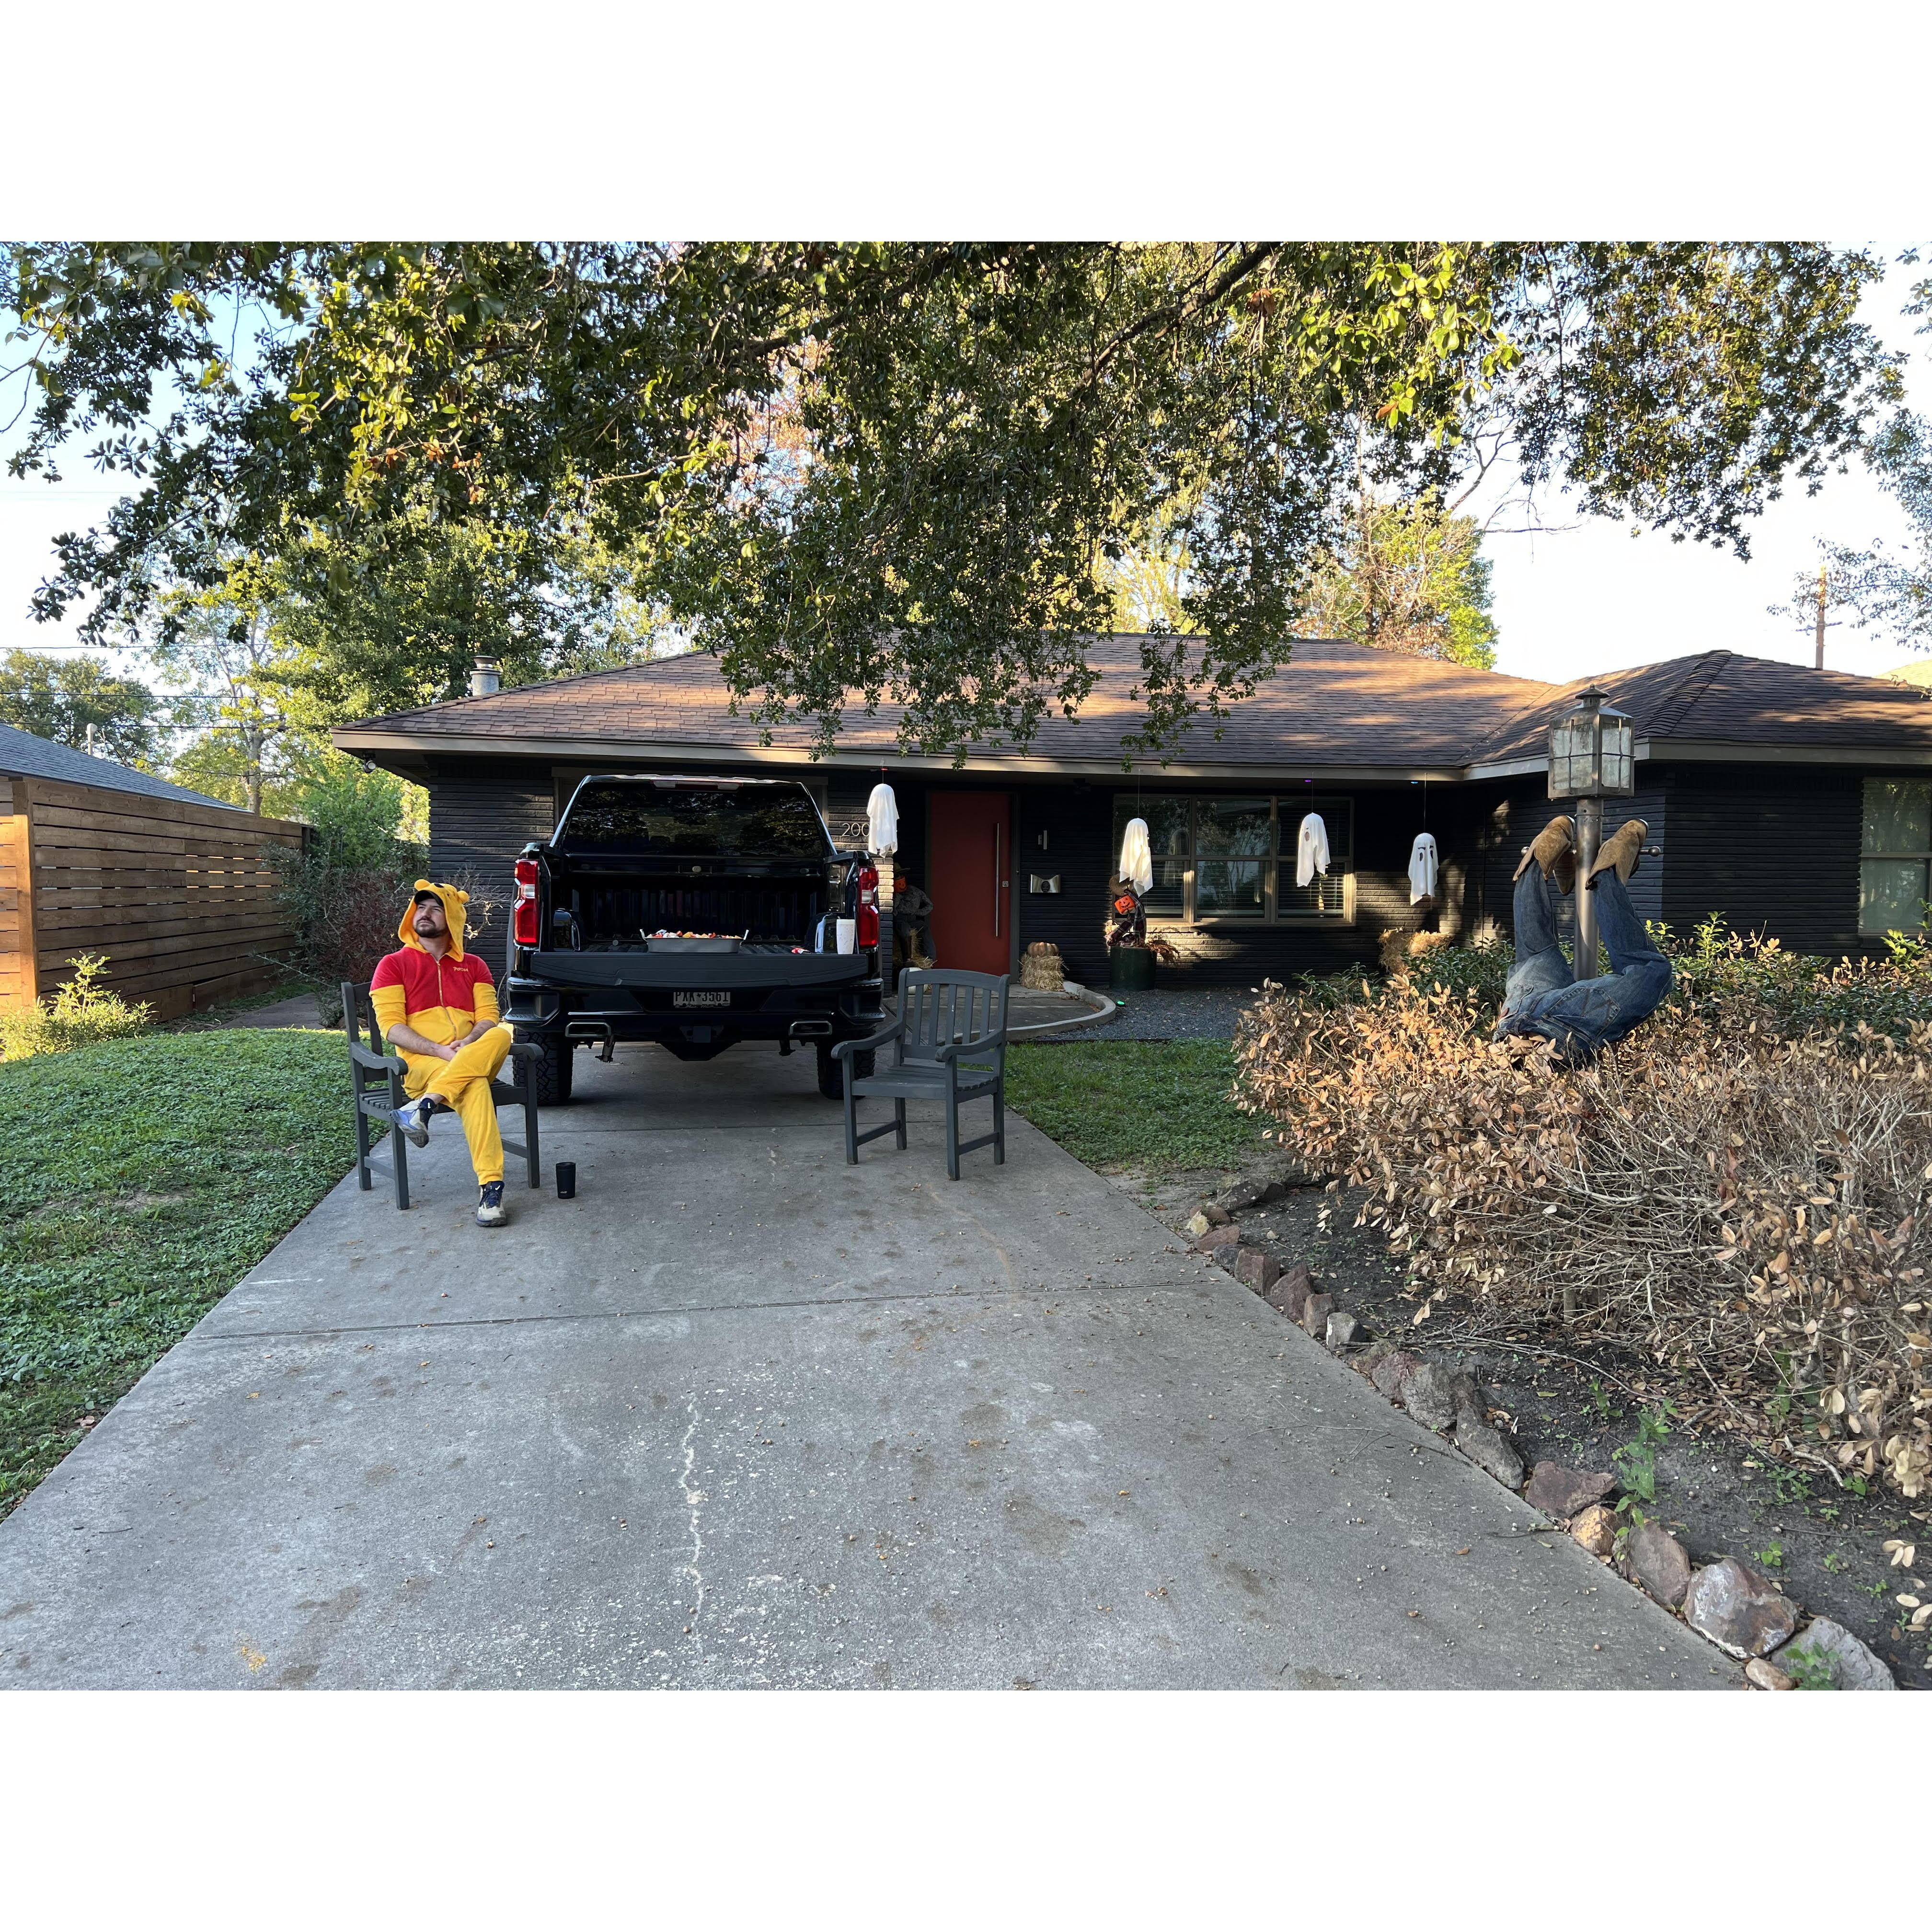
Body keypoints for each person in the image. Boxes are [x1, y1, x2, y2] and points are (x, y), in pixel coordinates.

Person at [371, 881, 517, 1227]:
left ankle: (424, 1108)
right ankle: (491, 1189)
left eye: (436, 908)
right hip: (422, 1064)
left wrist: (466, 1045)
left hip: (469, 1053)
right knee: (476, 1085)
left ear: (451, 918)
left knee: (499, 1034)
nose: (425, 913)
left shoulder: (475, 965)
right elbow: (391, 1028)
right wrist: (439, 1050)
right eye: (420, 907)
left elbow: (488, 1017)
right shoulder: (393, 965)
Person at [1493, 816, 1672, 1063]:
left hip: (1552, 1034)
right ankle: (1539, 857)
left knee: (1650, 970)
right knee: (1535, 954)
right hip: (1512, 1020)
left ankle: (1608, 871)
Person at [893, 871, 934, 971]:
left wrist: (919, 912)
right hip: (900, 919)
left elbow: (930, 905)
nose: (902, 885)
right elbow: (892, 911)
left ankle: (930, 958)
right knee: (905, 931)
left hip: (913, 918)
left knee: (924, 928)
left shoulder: (916, 891)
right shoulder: (892, 894)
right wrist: (896, 900)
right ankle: (908, 959)